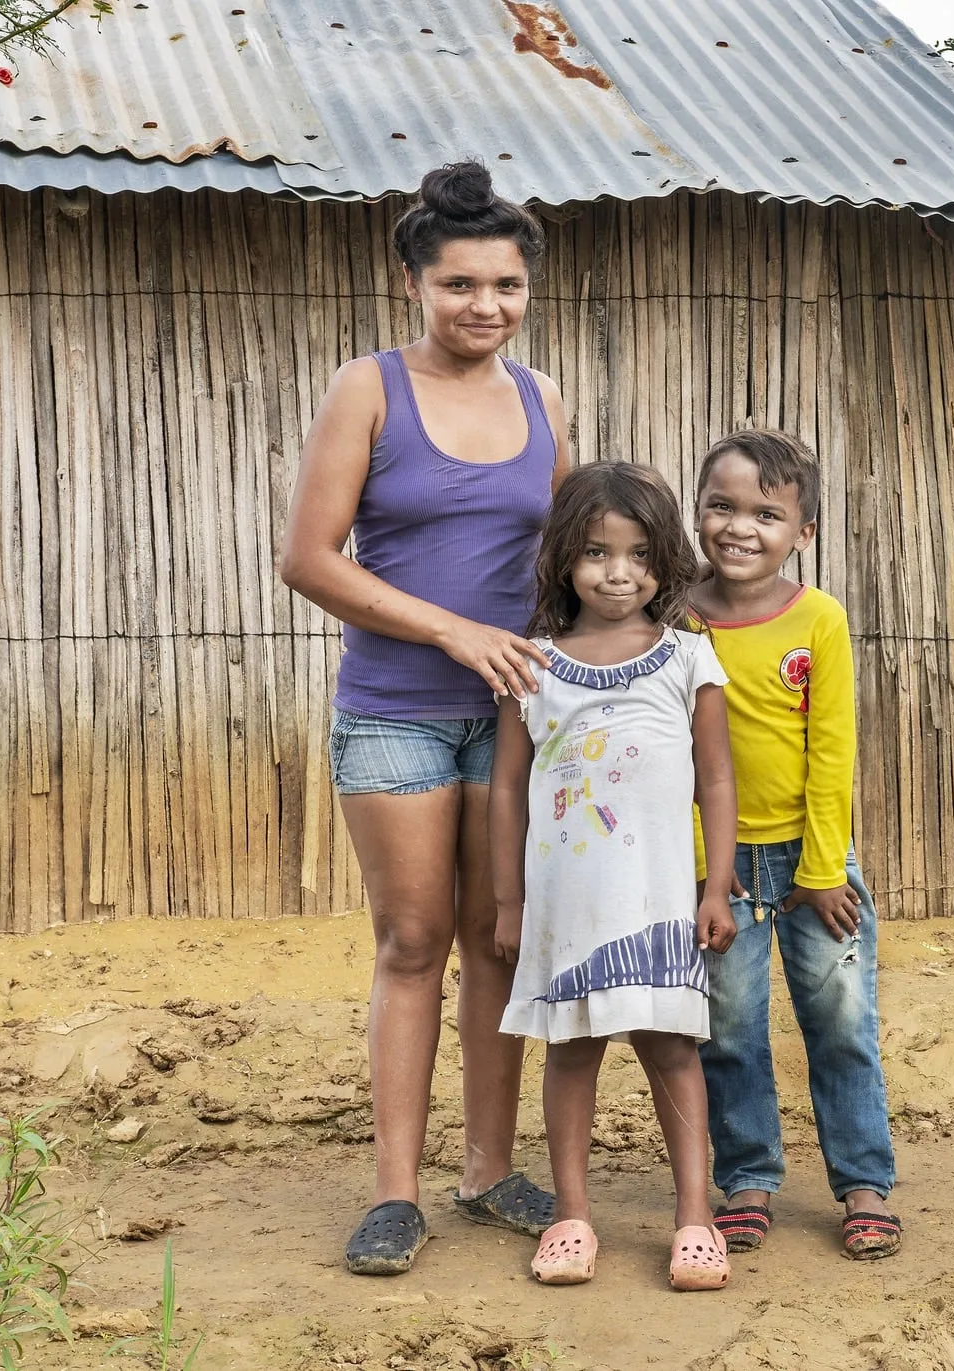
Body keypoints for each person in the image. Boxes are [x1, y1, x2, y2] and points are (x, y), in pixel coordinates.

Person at [278, 161, 566, 1276]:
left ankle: (489, 1172)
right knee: (411, 945)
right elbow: (307, 560)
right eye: (458, 285)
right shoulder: (368, 389)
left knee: (501, 942)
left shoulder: (541, 399)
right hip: (397, 709)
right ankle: (394, 1194)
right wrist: (449, 631)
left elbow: (569, 558)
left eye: (503, 285)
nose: (483, 306)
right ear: (412, 285)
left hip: (513, 720)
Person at [490, 462, 740, 1290]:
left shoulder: (687, 660)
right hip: (567, 909)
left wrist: (714, 886)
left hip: (659, 902)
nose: (617, 572)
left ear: (665, 561)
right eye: (596, 552)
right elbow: (506, 788)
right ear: (565, 557)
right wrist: (507, 901)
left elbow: (716, 780)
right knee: (571, 1052)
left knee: (672, 1049)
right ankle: (571, 1217)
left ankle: (696, 1219)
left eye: (636, 554)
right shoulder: (534, 667)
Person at [690, 430, 902, 1261]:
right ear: (697, 510)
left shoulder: (819, 619)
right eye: (722, 506)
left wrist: (819, 871)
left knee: (841, 1022)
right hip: (719, 869)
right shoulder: (675, 620)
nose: (740, 527)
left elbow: (832, 750)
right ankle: (747, 1177)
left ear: (802, 532)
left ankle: (863, 1182)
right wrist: (703, 874)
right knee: (729, 1026)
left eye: (766, 514)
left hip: (815, 864)